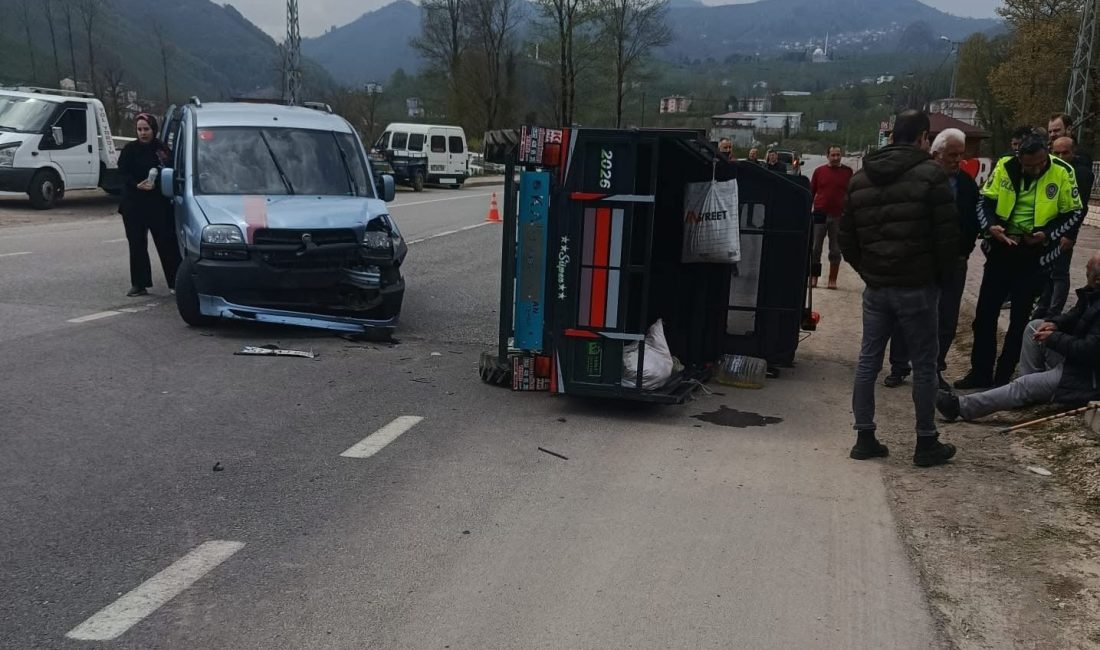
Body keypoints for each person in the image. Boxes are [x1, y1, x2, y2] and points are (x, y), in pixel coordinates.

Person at [839, 110, 960, 467]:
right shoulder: (932, 176)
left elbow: (847, 238)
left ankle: (864, 437)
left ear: (892, 136)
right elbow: (947, 239)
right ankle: (925, 441)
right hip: (918, 287)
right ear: (923, 137)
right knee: (924, 365)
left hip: (877, 287)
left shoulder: (860, 179)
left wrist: (869, 271)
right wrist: (938, 278)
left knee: (868, 361)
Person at [954, 132, 1084, 390]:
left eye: (1040, 163)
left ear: (1046, 153)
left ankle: (1004, 376)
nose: (1035, 170)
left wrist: (1047, 234)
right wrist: (991, 226)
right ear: (1019, 157)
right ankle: (980, 372)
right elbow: (985, 201)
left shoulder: (1062, 171)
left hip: (1035, 255)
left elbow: (1074, 212)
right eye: (1028, 165)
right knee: (985, 315)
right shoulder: (1005, 166)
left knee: (1020, 320)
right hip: (1002, 248)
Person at [937, 251, 1100, 422]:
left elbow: (1089, 350)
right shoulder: (1092, 293)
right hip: (1076, 363)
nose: (1085, 270)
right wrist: (1055, 324)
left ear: (1097, 279)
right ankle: (1032, 392)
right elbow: (1074, 315)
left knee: (1024, 385)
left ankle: (960, 407)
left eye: (1088, 269)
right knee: (1034, 326)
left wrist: (1053, 338)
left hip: (1087, 378)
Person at [883, 128, 981, 390]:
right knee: (908, 314)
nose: (957, 160)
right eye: (952, 155)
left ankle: (934, 368)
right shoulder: (918, 179)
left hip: (954, 262)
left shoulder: (967, 184)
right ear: (936, 154)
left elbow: (972, 220)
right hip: (919, 260)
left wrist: (965, 249)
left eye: (960, 155)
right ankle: (899, 365)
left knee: (946, 317)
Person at [117, 113, 180, 297]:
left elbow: (170, 171)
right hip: (133, 204)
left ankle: (175, 281)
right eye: (139, 129)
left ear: (154, 129)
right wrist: (136, 184)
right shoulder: (129, 149)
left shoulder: (162, 150)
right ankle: (139, 283)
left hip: (157, 204)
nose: (143, 133)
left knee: (166, 243)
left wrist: (156, 183)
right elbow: (123, 173)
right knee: (136, 243)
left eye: (146, 129)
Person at [1034, 134, 1095, 319]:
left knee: (1060, 272)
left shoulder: (1080, 173)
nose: (1060, 157)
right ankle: (1042, 307)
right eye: (1056, 153)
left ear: (1073, 152)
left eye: (1065, 153)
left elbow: (1080, 208)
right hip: (1048, 229)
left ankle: (1054, 312)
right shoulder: (1051, 170)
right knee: (1048, 270)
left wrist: (1070, 234)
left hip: (1065, 231)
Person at [809, 145, 852, 289]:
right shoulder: (819, 171)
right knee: (816, 248)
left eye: (838, 155)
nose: (836, 157)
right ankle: (814, 277)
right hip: (820, 214)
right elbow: (811, 192)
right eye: (833, 155)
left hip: (838, 215)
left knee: (835, 249)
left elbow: (851, 194)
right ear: (827, 156)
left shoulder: (847, 172)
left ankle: (832, 279)